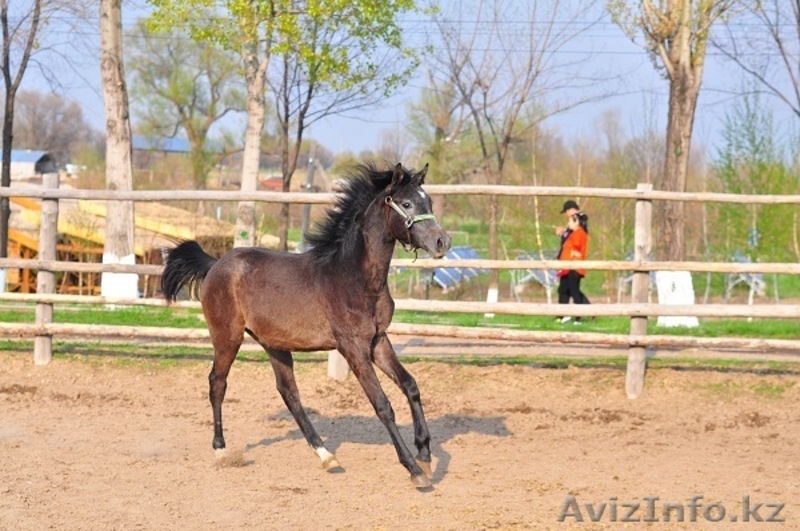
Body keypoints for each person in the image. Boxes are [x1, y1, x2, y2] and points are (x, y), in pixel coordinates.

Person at [555, 200, 590, 324]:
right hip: (568, 266)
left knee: (574, 291)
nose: (567, 220)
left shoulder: (578, 233)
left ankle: (579, 316)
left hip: (573, 266)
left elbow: (576, 249)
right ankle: (563, 315)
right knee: (564, 290)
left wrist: (572, 255)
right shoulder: (574, 232)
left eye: (569, 219)